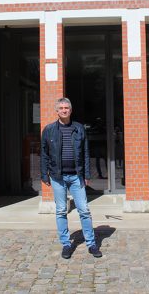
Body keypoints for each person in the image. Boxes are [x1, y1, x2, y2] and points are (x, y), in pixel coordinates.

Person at [41, 97, 102, 259]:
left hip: (77, 177)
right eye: (61, 108)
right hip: (57, 177)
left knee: (84, 210)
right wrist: (43, 174)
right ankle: (66, 244)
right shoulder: (49, 130)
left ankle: (91, 243)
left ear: (71, 110)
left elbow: (86, 152)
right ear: (57, 111)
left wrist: (86, 174)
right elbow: (44, 154)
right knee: (61, 211)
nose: (64, 110)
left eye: (66, 107)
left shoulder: (79, 128)